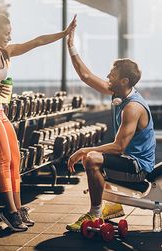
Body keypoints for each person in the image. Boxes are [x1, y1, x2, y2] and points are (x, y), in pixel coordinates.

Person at [0, 13, 77, 232]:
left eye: (10, 33)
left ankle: (18, 208)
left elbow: (36, 42)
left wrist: (64, 33)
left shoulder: (6, 52)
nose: (9, 37)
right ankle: (10, 211)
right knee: (4, 160)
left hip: (0, 111)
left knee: (16, 157)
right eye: (5, 33)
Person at [65, 23, 156, 232]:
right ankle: (113, 206)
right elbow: (86, 76)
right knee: (96, 155)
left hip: (138, 168)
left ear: (124, 81)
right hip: (128, 161)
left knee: (92, 158)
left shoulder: (132, 107)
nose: (107, 77)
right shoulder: (119, 93)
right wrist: (71, 46)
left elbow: (119, 147)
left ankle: (95, 213)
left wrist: (83, 150)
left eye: (111, 76)